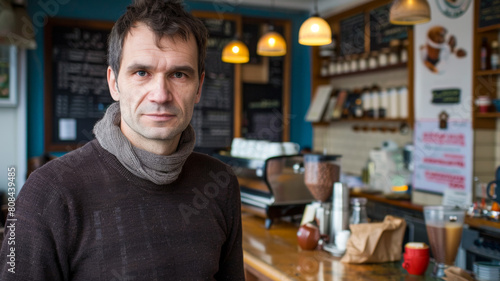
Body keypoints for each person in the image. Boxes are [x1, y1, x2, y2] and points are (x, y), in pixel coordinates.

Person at [0, 0, 244, 279]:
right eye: (142, 73)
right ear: (114, 82)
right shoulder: (48, 193)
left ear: (198, 87)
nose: (161, 94)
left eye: (178, 74)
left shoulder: (220, 183)